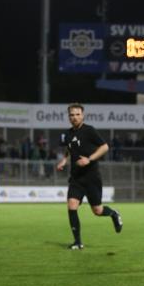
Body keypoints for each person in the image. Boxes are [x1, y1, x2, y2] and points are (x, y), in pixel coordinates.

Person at [56, 104, 123, 249]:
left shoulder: (89, 130)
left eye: (77, 114)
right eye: (72, 115)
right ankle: (78, 242)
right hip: (76, 178)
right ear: (69, 117)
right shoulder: (67, 134)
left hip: (92, 177)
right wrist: (64, 160)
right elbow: (69, 149)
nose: (75, 117)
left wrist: (89, 159)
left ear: (83, 115)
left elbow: (105, 147)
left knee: (97, 211)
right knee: (72, 206)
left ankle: (113, 213)